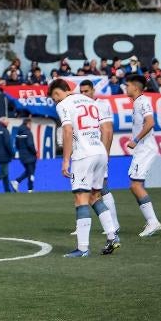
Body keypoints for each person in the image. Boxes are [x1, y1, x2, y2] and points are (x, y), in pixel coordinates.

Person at [49, 79, 119, 257]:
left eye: (55, 96)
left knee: (80, 198)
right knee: (95, 197)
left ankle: (82, 248)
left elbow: (66, 131)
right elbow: (105, 128)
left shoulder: (64, 104)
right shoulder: (90, 101)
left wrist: (65, 160)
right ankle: (112, 236)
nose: (55, 100)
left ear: (61, 91)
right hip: (100, 151)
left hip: (83, 155)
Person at [77, 80, 120, 237]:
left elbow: (107, 131)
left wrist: (105, 153)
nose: (84, 94)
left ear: (93, 90)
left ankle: (114, 225)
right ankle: (84, 222)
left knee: (101, 188)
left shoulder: (101, 105)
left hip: (98, 153)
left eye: (86, 91)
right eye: (81, 91)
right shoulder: (81, 107)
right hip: (87, 153)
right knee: (89, 188)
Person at [124, 74, 161, 236]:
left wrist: (136, 139)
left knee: (135, 185)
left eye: (128, 85)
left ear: (135, 87)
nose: (126, 88)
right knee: (134, 185)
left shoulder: (143, 101)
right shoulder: (137, 102)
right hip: (142, 149)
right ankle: (151, 221)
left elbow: (150, 122)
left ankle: (153, 222)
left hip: (145, 148)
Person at [11, 117, 37, 192]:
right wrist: (35, 152)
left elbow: (16, 144)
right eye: (30, 124)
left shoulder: (18, 133)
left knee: (29, 171)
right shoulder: (28, 132)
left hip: (22, 156)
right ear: (28, 124)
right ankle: (30, 189)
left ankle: (17, 182)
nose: (31, 126)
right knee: (31, 172)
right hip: (30, 156)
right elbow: (30, 144)